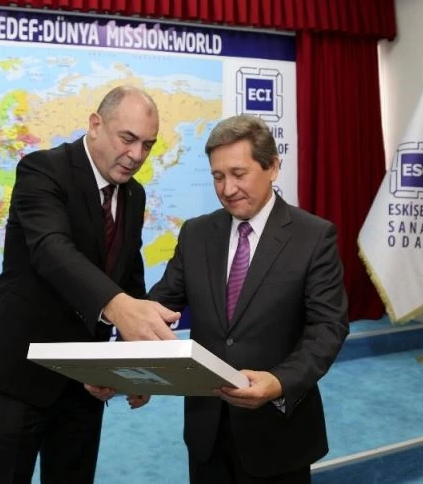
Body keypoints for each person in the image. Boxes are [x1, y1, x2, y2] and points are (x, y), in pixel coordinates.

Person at [0, 85, 181, 484]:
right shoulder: (42, 170)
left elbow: (129, 276)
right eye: (128, 138)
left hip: (87, 381)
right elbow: (52, 249)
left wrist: (136, 364)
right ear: (96, 125)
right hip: (20, 371)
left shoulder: (134, 195)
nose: (137, 155)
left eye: (148, 145)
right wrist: (118, 307)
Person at [147, 114, 350, 483]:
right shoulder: (196, 234)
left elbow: (328, 328)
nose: (227, 189)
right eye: (217, 176)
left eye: (238, 174)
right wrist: (129, 370)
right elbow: (159, 306)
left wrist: (280, 381)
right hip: (207, 432)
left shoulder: (313, 237)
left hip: (278, 433)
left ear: (272, 167)